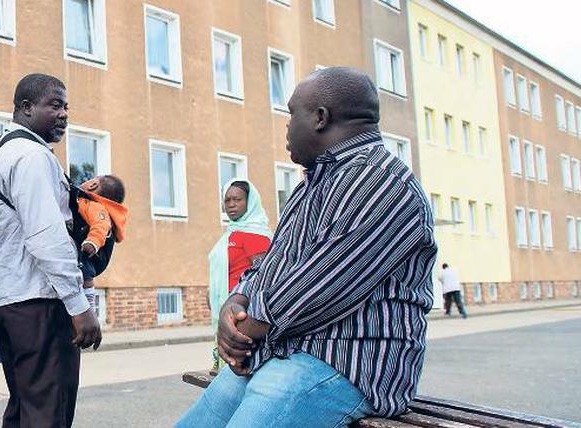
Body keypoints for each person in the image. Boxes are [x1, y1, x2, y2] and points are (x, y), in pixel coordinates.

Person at [178, 67, 437, 427]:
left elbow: (323, 284)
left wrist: (241, 327)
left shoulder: (382, 182)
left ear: (319, 118)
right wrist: (236, 301)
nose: (286, 125)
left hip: (350, 360)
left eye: (290, 113)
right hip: (286, 349)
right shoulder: (309, 188)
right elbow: (271, 264)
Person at [0, 73, 101, 427]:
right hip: (38, 300)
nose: (63, 114)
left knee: (25, 406)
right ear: (26, 108)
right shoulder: (32, 156)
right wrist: (79, 306)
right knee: (48, 413)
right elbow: (47, 237)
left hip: (4, 300)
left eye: (66, 106)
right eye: (54, 105)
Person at [207, 180, 272, 373]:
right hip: (226, 302)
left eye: (237, 199)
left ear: (250, 202)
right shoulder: (232, 232)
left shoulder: (255, 234)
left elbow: (263, 274)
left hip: (241, 308)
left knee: (236, 365)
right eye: (227, 200)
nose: (231, 204)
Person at [75, 175, 128, 310]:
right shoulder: (84, 202)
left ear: (93, 184)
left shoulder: (96, 207)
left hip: (91, 252)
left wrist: (93, 242)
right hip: (91, 253)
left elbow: (101, 225)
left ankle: (89, 304)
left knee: (84, 270)